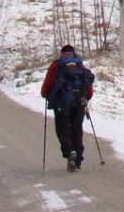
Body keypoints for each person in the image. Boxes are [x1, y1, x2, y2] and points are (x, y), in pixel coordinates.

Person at [40, 45, 94, 173]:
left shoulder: (56, 65)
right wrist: (87, 96)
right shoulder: (79, 65)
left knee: (63, 130)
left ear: (62, 53)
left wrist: (45, 94)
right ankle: (78, 161)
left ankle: (70, 152)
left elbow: (47, 84)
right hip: (79, 101)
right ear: (72, 53)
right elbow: (88, 84)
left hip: (62, 103)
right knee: (77, 130)